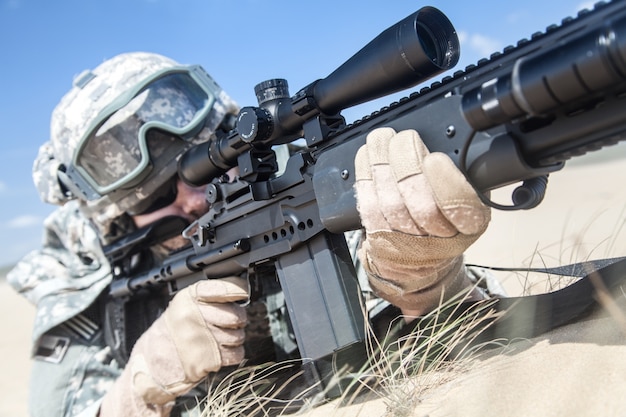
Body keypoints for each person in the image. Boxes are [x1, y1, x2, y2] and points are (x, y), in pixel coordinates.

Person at [7, 51, 498, 417]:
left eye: (201, 172)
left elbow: (468, 332)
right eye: (158, 201)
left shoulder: (295, 196)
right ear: (117, 223)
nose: (195, 201)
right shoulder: (89, 293)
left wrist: (424, 278)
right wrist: (140, 389)